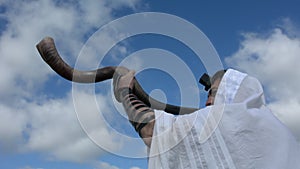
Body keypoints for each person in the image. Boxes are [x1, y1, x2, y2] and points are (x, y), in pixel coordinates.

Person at [113, 68, 300, 169]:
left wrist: (125, 91)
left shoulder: (237, 121)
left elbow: (153, 132)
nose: (208, 101)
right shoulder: (273, 129)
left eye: (215, 93)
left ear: (232, 93)